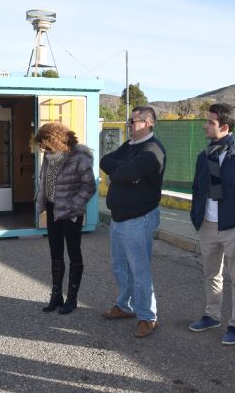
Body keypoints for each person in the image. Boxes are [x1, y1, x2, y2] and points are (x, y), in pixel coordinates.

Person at [188, 103, 235, 345]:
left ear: (225, 127)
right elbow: (198, 189)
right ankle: (212, 315)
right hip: (207, 225)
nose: (205, 126)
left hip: (233, 228)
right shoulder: (204, 156)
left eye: (210, 122)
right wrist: (196, 217)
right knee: (211, 274)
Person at [100, 106, 166, 338]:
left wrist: (120, 172)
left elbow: (122, 174)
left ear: (148, 123)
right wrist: (122, 171)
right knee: (119, 266)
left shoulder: (153, 150)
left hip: (139, 220)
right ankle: (125, 306)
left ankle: (148, 317)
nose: (128, 124)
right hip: (119, 218)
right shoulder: (130, 146)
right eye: (129, 121)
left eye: (133, 121)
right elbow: (106, 161)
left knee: (139, 270)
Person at [33, 122, 96, 315]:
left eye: (43, 142)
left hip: (71, 214)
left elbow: (89, 187)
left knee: (74, 253)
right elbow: (44, 181)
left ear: (53, 139)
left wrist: (73, 206)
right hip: (53, 210)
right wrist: (41, 200)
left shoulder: (79, 157)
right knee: (55, 253)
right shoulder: (48, 156)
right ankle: (56, 295)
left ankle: (72, 298)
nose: (42, 146)